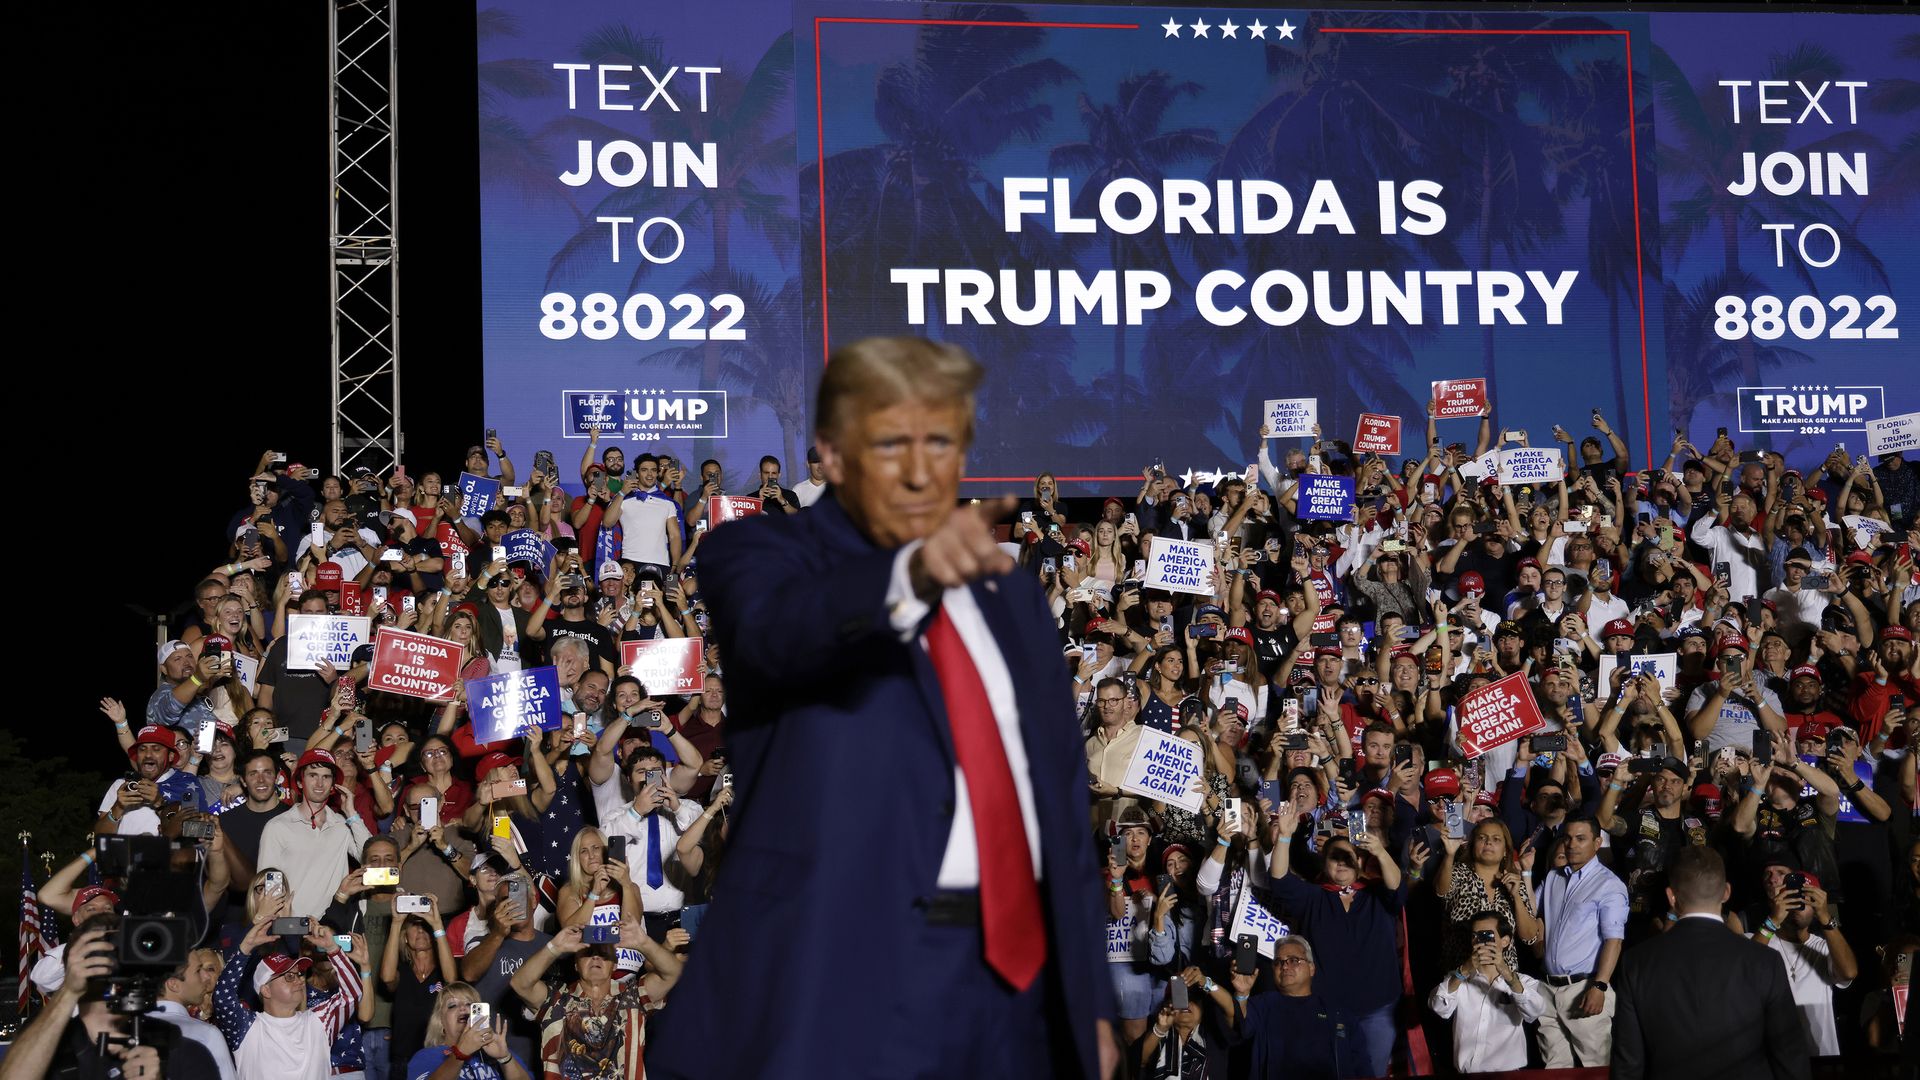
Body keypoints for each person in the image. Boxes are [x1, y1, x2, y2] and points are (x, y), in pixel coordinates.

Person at [648, 337, 1115, 1079]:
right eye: (894, 442)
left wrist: (1087, 1001)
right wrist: (911, 575)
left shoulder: (1012, 595)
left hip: (1012, 1003)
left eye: (941, 441)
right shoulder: (758, 555)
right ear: (830, 456)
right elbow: (782, 635)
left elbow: (1057, 803)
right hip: (838, 983)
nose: (923, 466)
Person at [1611, 846, 1811, 1079]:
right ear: (1726, 892)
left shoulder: (1636, 962)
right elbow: (1789, 1055)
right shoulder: (1764, 960)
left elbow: (1627, 1064)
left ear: (1671, 897)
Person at [5, 919, 224, 1080]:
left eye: (121, 949)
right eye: (97, 949)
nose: (111, 960)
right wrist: (69, 990)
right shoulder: (45, 1046)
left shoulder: (180, 1050)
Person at [213, 916, 369, 1080]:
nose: (299, 980)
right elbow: (222, 998)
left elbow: (353, 993)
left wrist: (333, 949)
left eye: (298, 974)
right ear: (266, 990)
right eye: (289, 977)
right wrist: (245, 948)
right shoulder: (246, 1027)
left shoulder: (320, 1021)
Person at [1532, 816, 1629, 1068]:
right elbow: (1531, 912)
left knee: (1596, 1068)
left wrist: (1600, 986)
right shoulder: (1554, 877)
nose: (1572, 844)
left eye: (1581, 838)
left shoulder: (1609, 885)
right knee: (1553, 1070)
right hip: (1548, 988)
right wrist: (1523, 873)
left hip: (1585, 988)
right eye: (1568, 838)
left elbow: (1614, 941)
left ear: (1597, 843)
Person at [1427, 911, 1545, 1073]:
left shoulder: (1523, 982)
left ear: (1505, 941)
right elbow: (1439, 1008)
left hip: (1508, 1074)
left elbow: (1535, 1011)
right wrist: (1463, 972)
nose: (1480, 941)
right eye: (1475, 936)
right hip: (1468, 1073)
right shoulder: (1458, 980)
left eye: (1487, 935)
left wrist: (1509, 976)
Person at [1231, 937, 1342, 1079]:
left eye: (1294, 960)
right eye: (1278, 962)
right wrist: (1242, 993)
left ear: (1311, 968)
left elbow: (1358, 1063)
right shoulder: (1263, 1004)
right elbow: (1240, 1027)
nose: (1284, 966)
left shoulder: (1335, 1013)